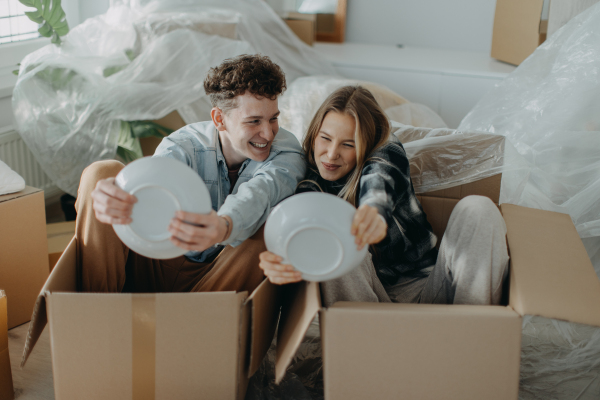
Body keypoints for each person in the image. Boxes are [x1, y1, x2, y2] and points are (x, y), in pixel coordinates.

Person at [258, 86, 509, 307]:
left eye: (348, 144)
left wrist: (375, 211)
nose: (331, 154)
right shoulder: (309, 181)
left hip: (431, 291)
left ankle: (474, 334)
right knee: (335, 236)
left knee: (479, 208)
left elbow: (380, 176)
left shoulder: (385, 151)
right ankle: (370, 348)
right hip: (367, 309)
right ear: (314, 134)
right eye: (325, 139)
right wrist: (281, 259)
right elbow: (299, 221)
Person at [75, 54, 306, 294]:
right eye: (254, 121)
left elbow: (262, 192)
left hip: (219, 277)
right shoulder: (184, 145)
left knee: (269, 222)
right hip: (154, 260)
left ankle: (197, 323)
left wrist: (224, 225)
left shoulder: (286, 150)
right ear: (219, 119)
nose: (268, 134)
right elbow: (152, 181)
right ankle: (97, 311)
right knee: (101, 173)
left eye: (273, 118)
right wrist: (115, 194)